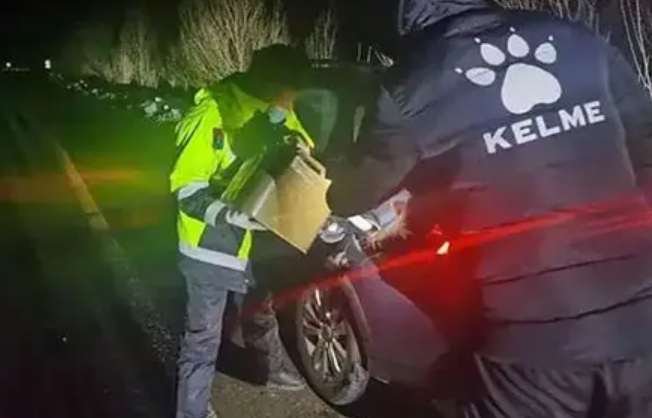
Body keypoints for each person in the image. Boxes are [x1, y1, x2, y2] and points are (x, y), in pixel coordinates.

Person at [321, 0, 652, 416]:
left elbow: (353, 195)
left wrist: (336, 157)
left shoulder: (415, 83)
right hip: (642, 323)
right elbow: (645, 148)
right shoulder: (582, 42)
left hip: (531, 351)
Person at [170, 44, 314, 418]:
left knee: (260, 308)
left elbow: (303, 151)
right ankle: (191, 412)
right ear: (268, 82)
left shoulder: (279, 108)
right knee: (203, 337)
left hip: (255, 241)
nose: (290, 103)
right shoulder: (211, 113)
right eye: (286, 95)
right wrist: (230, 215)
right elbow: (186, 190)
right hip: (210, 247)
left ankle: (269, 369)